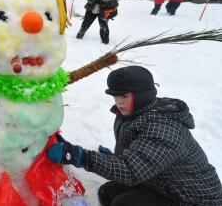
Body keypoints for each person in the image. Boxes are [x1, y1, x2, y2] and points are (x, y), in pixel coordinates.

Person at [47, 66, 222, 206]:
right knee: (106, 193)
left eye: (124, 96)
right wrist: (115, 159)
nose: (118, 101)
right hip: (160, 182)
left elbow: (131, 170)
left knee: (122, 203)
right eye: (115, 95)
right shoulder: (137, 113)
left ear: (142, 94)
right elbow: (139, 158)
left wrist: (77, 155)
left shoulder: (164, 128)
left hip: (193, 199)